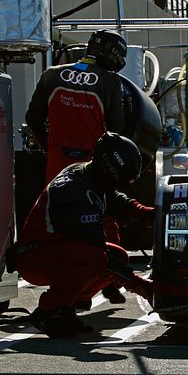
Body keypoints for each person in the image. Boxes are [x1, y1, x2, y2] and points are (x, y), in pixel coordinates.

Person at [25, 29, 132, 304]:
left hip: (57, 164)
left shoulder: (51, 74)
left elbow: (32, 117)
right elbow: (118, 131)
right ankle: (105, 279)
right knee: (105, 219)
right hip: (95, 164)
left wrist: (48, 146)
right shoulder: (111, 81)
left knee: (56, 221)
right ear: (115, 54)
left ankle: (70, 285)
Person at [15, 132, 154, 339]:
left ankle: (66, 305)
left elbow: (117, 199)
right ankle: (49, 311)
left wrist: (152, 214)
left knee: (119, 256)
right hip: (34, 256)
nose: (119, 186)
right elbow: (99, 251)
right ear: (110, 170)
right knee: (97, 258)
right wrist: (143, 287)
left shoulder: (91, 176)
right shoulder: (74, 191)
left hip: (55, 249)